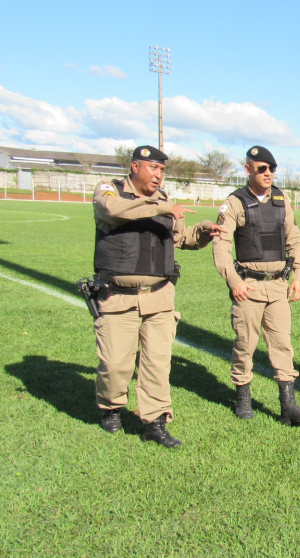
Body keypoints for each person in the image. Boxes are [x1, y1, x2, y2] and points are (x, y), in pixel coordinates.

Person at [92, 145, 224, 448]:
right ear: (135, 167)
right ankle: (111, 406)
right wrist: (159, 207)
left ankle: (155, 421)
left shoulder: (164, 202)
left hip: (160, 297)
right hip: (118, 297)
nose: (159, 175)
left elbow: (180, 238)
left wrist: (204, 231)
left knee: (157, 364)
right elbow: (111, 213)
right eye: (153, 168)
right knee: (115, 365)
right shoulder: (109, 192)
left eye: (163, 170)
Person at [212, 146, 300, 426]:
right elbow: (221, 246)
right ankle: (243, 397)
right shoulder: (234, 202)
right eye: (262, 168)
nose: (268, 173)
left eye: (272, 169)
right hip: (249, 286)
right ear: (248, 170)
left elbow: (294, 239)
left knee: (283, 344)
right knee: (245, 345)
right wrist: (234, 281)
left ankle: (288, 406)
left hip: (278, 286)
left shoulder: (282, 200)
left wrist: (299, 276)